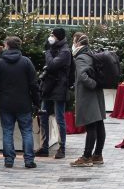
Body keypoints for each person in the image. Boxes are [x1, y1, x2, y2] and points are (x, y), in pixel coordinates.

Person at [0, 36, 40, 169]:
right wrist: (37, 102)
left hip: (6, 103)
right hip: (24, 102)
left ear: (8, 46)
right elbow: (34, 85)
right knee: (27, 131)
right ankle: (29, 160)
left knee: (7, 131)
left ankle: (9, 160)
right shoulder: (26, 62)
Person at [71, 32, 107, 167]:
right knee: (99, 124)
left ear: (78, 43)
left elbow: (82, 76)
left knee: (91, 125)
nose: (73, 44)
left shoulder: (81, 57)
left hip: (88, 95)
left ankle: (86, 157)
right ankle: (97, 155)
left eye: (74, 41)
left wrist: (93, 84)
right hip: (96, 94)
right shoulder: (91, 53)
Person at [37, 28, 70, 159]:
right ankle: (44, 147)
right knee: (43, 117)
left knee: (59, 119)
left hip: (59, 88)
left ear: (58, 37)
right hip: (48, 87)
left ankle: (62, 147)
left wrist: (47, 52)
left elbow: (51, 65)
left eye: (52, 35)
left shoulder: (65, 51)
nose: (50, 37)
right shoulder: (54, 49)